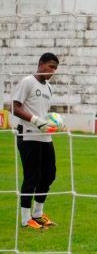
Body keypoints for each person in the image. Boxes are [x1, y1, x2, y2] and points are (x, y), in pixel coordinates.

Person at [11, 52, 61, 229]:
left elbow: (43, 112)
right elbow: (15, 108)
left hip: (44, 137)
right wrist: (35, 121)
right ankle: (26, 219)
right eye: (50, 66)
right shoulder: (28, 82)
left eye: (55, 68)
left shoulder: (48, 87)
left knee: (49, 174)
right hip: (28, 135)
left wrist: (52, 123)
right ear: (40, 64)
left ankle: (38, 214)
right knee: (32, 176)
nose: (52, 71)